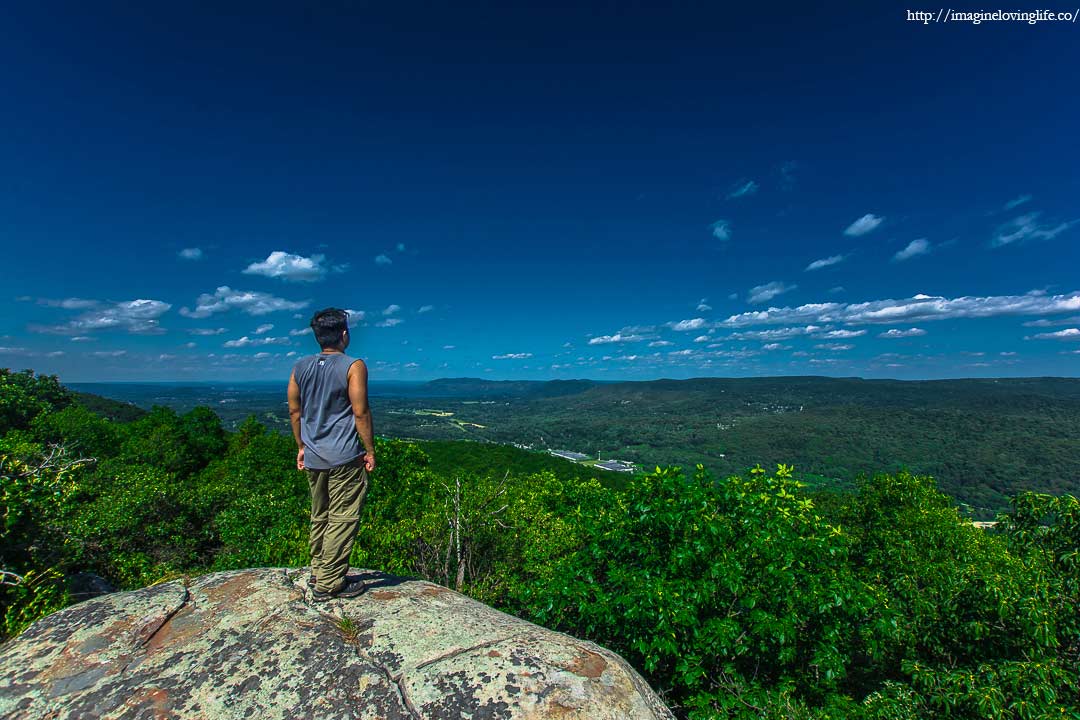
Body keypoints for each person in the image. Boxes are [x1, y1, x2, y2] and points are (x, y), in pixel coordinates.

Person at [287, 308, 376, 600]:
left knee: (320, 514)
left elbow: (294, 410)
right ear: (344, 334)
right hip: (344, 456)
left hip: (314, 456)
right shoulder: (354, 366)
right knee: (343, 517)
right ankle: (329, 582)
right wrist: (370, 450)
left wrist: (301, 447)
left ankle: (318, 569)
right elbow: (359, 411)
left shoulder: (299, 366)